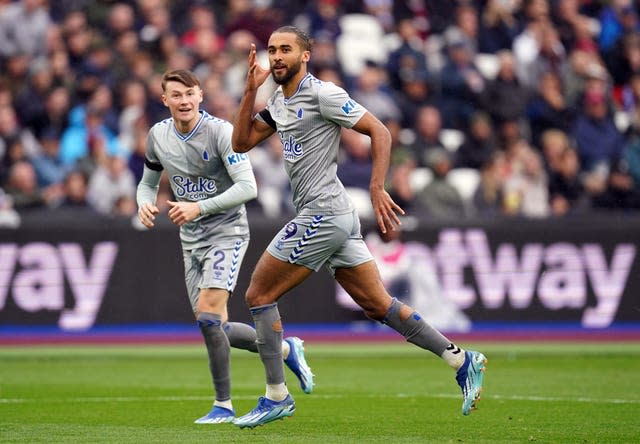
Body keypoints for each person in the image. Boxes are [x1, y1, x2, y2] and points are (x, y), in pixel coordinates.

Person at [231, 26, 487, 428]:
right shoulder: (279, 101)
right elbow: (241, 143)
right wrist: (250, 90)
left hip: (323, 213)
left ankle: (276, 394)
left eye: (286, 50)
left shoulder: (323, 94)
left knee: (259, 294)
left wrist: (375, 186)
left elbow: (380, 131)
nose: (276, 56)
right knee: (378, 305)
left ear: (305, 56)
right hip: (335, 218)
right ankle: (461, 358)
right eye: (272, 50)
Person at [135, 69, 314, 425]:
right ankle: (283, 348)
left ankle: (223, 405)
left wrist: (198, 206)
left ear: (200, 95)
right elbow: (147, 182)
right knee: (212, 324)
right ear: (165, 100)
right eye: (176, 95)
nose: (184, 101)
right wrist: (143, 202)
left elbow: (249, 187)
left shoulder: (220, 132)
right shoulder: (157, 135)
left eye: (189, 93)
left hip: (227, 231)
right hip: (191, 239)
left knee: (208, 316)